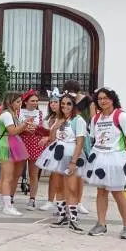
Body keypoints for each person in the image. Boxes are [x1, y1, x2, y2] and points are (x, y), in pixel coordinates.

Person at [85, 88, 126, 239]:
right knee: (101, 191)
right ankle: (101, 224)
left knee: (118, 192)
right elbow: (94, 138)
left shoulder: (121, 116)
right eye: (100, 98)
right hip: (99, 157)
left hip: (115, 159)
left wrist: (121, 154)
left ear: (112, 99)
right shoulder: (96, 119)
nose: (103, 101)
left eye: (106, 98)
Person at [39, 93, 87, 233]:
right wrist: (55, 127)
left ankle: (73, 219)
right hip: (58, 155)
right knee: (59, 187)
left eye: (69, 103)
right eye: (63, 103)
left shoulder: (78, 121)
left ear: (74, 106)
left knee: (71, 187)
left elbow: (80, 142)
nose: (65, 106)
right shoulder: (59, 119)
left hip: (72, 156)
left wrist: (73, 161)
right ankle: (62, 217)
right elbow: (53, 138)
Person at [0, 92, 31, 216]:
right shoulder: (7, 115)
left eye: (20, 101)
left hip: (6, 144)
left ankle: (0, 202)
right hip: (7, 144)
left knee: (3, 176)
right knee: (8, 177)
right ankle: (7, 205)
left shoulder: (9, 114)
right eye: (18, 101)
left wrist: (24, 126)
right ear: (10, 102)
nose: (20, 104)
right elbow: (12, 131)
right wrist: (25, 124)